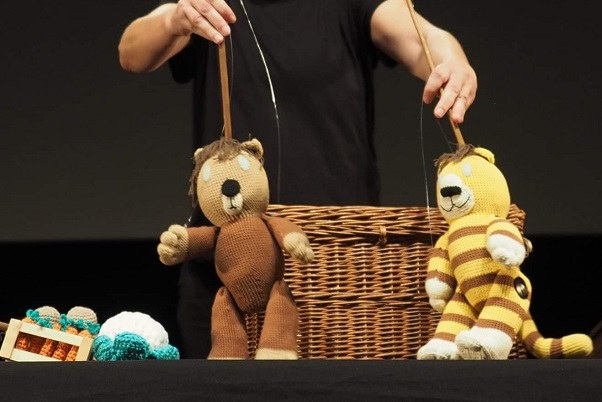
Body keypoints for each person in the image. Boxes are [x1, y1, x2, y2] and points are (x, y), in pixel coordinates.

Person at [118, 0, 477, 359]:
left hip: (339, 269)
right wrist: (175, 19)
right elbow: (132, 52)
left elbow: (424, 39)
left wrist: (453, 63)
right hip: (225, 270)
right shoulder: (209, 5)